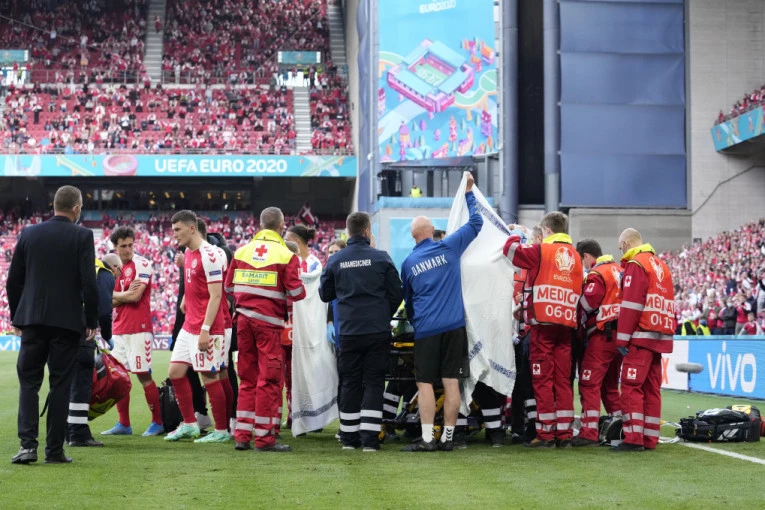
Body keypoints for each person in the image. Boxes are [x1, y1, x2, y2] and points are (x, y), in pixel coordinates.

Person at [7, 185, 98, 464]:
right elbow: (89, 283)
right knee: (60, 385)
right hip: (66, 323)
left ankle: (27, 446)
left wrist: (17, 316)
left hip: (33, 320)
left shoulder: (29, 233)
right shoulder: (83, 236)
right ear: (76, 208)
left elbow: (13, 280)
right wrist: (91, 320)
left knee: (29, 383)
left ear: (54, 206)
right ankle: (54, 451)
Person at [399, 171, 482, 452]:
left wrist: (417, 321)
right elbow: (476, 222)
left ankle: (426, 439)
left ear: (413, 237)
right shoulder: (449, 246)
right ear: (432, 231)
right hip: (454, 327)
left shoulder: (409, 263)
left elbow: (408, 301)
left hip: (426, 330)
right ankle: (447, 438)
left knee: (424, 383)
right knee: (451, 382)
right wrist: (469, 193)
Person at [319, 212, 402, 451]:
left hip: (348, 331)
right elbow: (397, 293)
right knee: (374, 382)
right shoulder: (381, 258)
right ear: (367, 231)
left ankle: (348, 438)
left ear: (347, 232)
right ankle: (370, 440)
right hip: (376, 330)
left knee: (350, 383)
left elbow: (325, 294)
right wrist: (383, 314)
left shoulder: (336, 260)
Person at [227, 207, 306, 452]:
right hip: (268, 325)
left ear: (261, 225)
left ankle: (242, 436)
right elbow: (297, 293)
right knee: (269, 380)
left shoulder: (242, 251)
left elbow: (229, 288)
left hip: (242, 321)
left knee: (247, 379)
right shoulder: (285, 254)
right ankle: (264, 439)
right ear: (282, 226)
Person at [502, 212, 583, 448]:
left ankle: (546, 433)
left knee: (543, 381)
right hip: (565, 327)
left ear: (546, 231)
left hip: (542, 326)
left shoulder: (541, 250)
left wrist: (516, 233)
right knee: (563, 382)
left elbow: (510, 250)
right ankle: (565, 433)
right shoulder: (576, 256)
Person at [164, 211, 231, 443]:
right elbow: (196, 282)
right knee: (175, 372)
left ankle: (221, 430)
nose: (174, 235)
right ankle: (190, 424)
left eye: (178, 230)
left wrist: (205, 329)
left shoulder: (210, 255)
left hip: (206, 326)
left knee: (209, 376)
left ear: (192, 228)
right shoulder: (188, 253)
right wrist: (186, 298)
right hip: (189, 324)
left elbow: (216, 296)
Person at [612, 228, 675, 452]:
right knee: (652, 389)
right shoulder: (661, 266)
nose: (620, 251)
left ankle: (633, 438)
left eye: (621, 247)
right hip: (659, 336)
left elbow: (631, 305)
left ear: (627, 244)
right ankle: (650, 438)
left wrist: (622, 339)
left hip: (640, 336)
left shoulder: (636, 264)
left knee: (631, 387)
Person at [101, 227, 164, 437]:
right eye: (123, 246)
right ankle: (124, 424)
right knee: (118, 378)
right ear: (115, 247)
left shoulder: (142, 264)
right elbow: (108, 301)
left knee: (143, 375)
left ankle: (158, 422)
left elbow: (135, 297)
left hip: (139, 328)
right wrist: (122, 295)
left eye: (130, 245)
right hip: (119, 329)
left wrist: (116, 295)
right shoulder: (113, 268)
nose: (127, 249)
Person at [571, 239, 623, 447]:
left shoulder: (597, 273)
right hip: (620, 337)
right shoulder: (620, 270)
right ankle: (620, 427)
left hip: (603, 336)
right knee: (610, 386)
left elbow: (586, 304)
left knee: (589, 383)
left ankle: (589, 432)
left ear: (586, 256)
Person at [67, 252, 121, 447]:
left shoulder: (81, 267)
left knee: (64, 382)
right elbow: (104, 310)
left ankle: (65, 430)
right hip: (82, 331)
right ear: (115, 268)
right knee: (82, 382)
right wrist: (107, 335)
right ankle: (78, 433)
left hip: (61, 330)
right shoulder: (104, 273)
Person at [284, 224, 323, 430]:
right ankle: (293, 415)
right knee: (288, 375)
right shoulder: (287, 261)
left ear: (296, 241)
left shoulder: (314, 264)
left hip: (306, 327)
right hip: (287, 325)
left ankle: (313, 417)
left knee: (308, 374)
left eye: (286, 239)